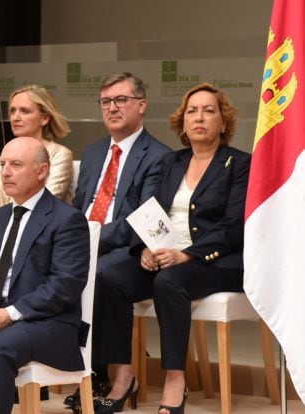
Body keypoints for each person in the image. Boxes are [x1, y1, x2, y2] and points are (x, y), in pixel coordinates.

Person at [93, 83, 249, 414]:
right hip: (167, 257)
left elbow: (233, 227)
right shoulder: (172, 163)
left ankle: (175, 379)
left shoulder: (239, 164)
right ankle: (122, 376)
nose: (199, 117)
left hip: (215, 262)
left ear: (224, 122)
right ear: (182, 121)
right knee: (108, 277)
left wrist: (186, 254)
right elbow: (148, 211)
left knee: (170, 281)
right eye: (192, 111)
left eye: (209, 111)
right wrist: (145, 249)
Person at [70, 72, 171, 405]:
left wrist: (88, 238)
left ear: (142, 106)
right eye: (105, 101)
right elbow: (79, 207)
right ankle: (68, 371)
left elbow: (141, 222)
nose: (112, 108)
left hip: (130, 251)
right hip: (86, 243)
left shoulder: (159, 156)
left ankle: (119, 376)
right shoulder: (94, 151)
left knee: (100, 275)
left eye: (120, 100)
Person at [0, 137, 89, 414]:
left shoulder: (67, 219)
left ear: (42, 171)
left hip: (46, 322)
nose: (5, 172)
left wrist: (11, 313)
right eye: (2, 164)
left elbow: (65, 285)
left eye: (15, 164)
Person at [0, 84, 74, 207]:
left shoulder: (59, 155)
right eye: (12, 111)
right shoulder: (1, 160)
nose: (15, 118)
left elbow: (46, 202)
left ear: (44, 118)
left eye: (25, 111)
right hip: (5, 225)